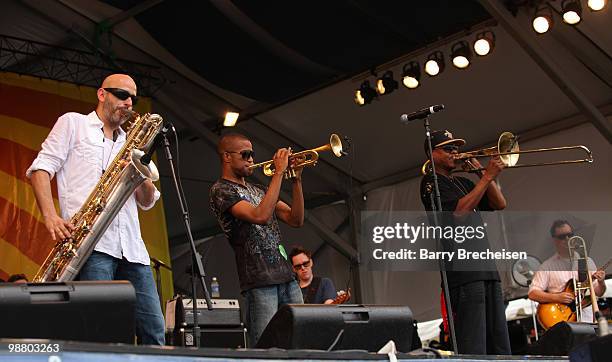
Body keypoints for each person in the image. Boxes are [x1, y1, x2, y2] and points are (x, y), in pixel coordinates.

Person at [26, 74, 165, 345]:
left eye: (133, 99)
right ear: (102, 94)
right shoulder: (73, 123)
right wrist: (50, 216)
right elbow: (41, 169)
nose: (128, 103)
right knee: (103, 330)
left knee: (154, 329)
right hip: (91, 244)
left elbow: (147, 202)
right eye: (121, 95)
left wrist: (143, 170)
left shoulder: (131, 142)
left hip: (133, 250)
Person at [420, 130, 510, 355]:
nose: (455, 152)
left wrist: (481, 173)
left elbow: (500, 204)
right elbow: (458, 214)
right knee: (474, 344)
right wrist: (488, 177)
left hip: (487, 269)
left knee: (499, 343)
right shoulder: (431, 182)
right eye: (448, 148)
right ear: (432, 153)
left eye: (456, 148)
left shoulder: (464, 182)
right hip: (464, 274)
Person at [209, 133, 304, 347]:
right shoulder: (221, 190)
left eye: (252, 154)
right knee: (266, 348)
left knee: (301, 341)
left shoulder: (259, 190)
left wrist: (296, 180)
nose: (251, 159)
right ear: (227, 157)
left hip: (287, 277)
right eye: (245, 154)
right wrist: (279, 172)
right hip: (259, 281)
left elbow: (295, 219)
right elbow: (259, 216)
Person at [528, 220, 607, 323]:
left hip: (587, 319)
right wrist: (556, 297)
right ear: (554, 240)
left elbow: (599, 292)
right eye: (562, 237)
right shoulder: (547, 266)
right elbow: (533, 294)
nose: (567, 239)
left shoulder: (587, 261)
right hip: (563, 321)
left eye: (570, 235)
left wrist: (601, 282)